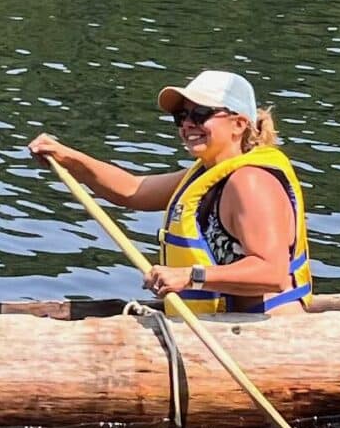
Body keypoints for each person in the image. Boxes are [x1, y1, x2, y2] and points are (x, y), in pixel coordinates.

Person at [27, 68, 315, 315]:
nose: (188, 124)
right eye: (181, 115)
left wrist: (190, 277)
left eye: (201, 114)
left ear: (239, 124)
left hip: (267, 334)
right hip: (226, 329)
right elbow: (132, 190)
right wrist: (67, 158)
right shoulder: (207, 174)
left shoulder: (251, 182)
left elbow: (272, 273)